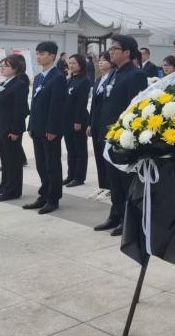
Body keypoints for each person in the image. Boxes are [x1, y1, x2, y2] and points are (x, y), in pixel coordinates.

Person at [92, 35, 148, 235]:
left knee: (126, 181)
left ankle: (128, 221)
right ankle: (115, 215)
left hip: (124, 137)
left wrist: (129, 136)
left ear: (127, 52)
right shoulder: (114, 73)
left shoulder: (136, 75)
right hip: (108, 134)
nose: (111, 52)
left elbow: (136, 108)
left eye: (115, 48)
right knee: (113, 180)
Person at [24, 41, 67, 214]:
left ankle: (53, 199)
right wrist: (30, 124)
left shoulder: (58, 77)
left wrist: (53, 129)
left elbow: (57, 106)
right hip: (37, 128)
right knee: (41, 164)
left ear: (52, 56)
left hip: (50, 130)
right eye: (37, 53)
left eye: (42, 54)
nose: (38, 57)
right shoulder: (39, 77)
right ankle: (44, 194)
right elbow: (35, 104)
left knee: (52, 165)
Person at [0, 54, 29, 202]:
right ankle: (4, 187)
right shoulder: (5, 82)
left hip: (10, 129)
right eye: (1, 66)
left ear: (16, 68)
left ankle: (13, 190)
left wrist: (16, 130)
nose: (2, 69)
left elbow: (22, 110)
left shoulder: (19, 84)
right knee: (5, 161)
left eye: (5, 66)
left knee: (13, 161)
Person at [88, 52, 114, 197]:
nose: (100, 63)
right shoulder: (98, 80)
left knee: (106, 155)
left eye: (104, 60)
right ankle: (102, 184)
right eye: (100, 60)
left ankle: (110, 186)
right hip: (96, 122)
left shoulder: (113, 79)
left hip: (107, 124)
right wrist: (90, 123)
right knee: (98, 154)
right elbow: (93, 104)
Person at [63, 54, 91, 188]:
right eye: (70, 63)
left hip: (78, 120)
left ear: (81, 64)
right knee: (70, 150)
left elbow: (81, 103)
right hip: (67, 120)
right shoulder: (70, 79)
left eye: (74, 63)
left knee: (80, 150)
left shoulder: (84, 81)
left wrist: (78, 121)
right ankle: (71, 175)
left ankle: (79, 177)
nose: (71, 65)